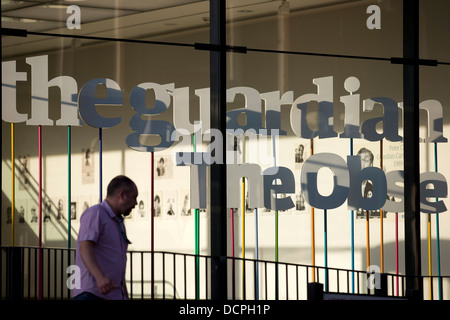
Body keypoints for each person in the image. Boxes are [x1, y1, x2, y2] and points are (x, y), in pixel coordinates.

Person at [73, 175, 138, 300]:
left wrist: (124, 294)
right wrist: (100, 277)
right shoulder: (96, 213)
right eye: (134, 197)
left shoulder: (117, 222)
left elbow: (117, 262)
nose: (135, 203)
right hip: (93, 294)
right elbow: (85, 247)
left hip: (113, 295)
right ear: (122, 195)